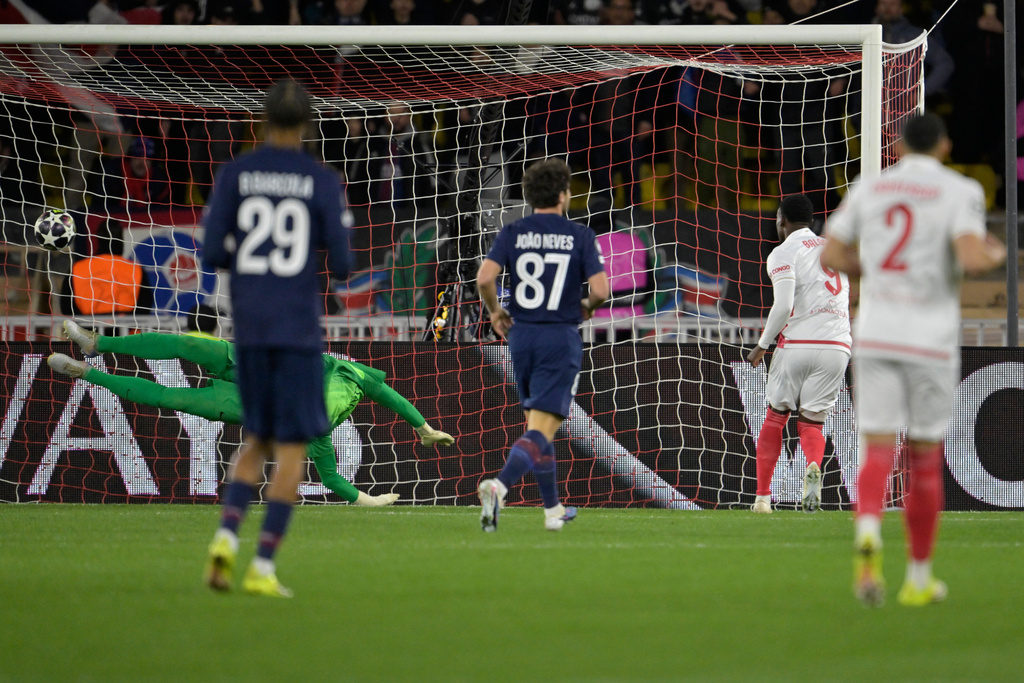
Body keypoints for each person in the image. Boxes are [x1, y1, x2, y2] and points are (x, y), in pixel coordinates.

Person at [820, 113, 1006, 607]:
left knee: (876, 449)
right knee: (923, 460)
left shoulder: (869, 187)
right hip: (930, 340)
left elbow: (832, 254)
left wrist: (876, 271)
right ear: (945, 146)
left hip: (877, 335)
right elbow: (969, 257)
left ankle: (867, 531)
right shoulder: (960, 189)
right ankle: (919, 579)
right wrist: (995, 253)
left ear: (899, 146)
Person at [198, 79, 353, 597]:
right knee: (292, 451)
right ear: (309, 123)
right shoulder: (321, 180)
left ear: (260, 120)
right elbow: (346, 261)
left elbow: (212, 255)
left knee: (255, 440)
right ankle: (262, 564)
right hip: (298, 330)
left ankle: (225, 535)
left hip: (249, 326)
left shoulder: (236, 173)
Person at [46, 321, 454, 507]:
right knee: (193, 346)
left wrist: (370, 501)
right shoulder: (349, 374)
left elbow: (331, 478)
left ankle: (87, 373)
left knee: (174, 400)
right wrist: (424, 427)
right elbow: (390, 395)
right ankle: (99, 344)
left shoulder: (317, 431)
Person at [475, 158, 609, 532]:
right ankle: (498, 487)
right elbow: (600, 290)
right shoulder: (579, 234)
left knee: (538, 425)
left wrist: (496, 312)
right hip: (558, 337)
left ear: (529, 195)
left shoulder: (514, 230)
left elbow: (485, 277)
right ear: (564, 194)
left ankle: (553, 510)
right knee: (543, 427)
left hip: (521, 337)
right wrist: (585, 306)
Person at [746, 194, 850, 514]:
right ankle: (814, 466)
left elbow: (783, 305)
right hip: (837, 346)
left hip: (798, 344)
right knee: (812, 422)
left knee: (776, 416)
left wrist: (763, 344)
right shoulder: (834, 249)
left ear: (781, 220)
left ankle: (763, 498)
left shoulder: (783, 252)